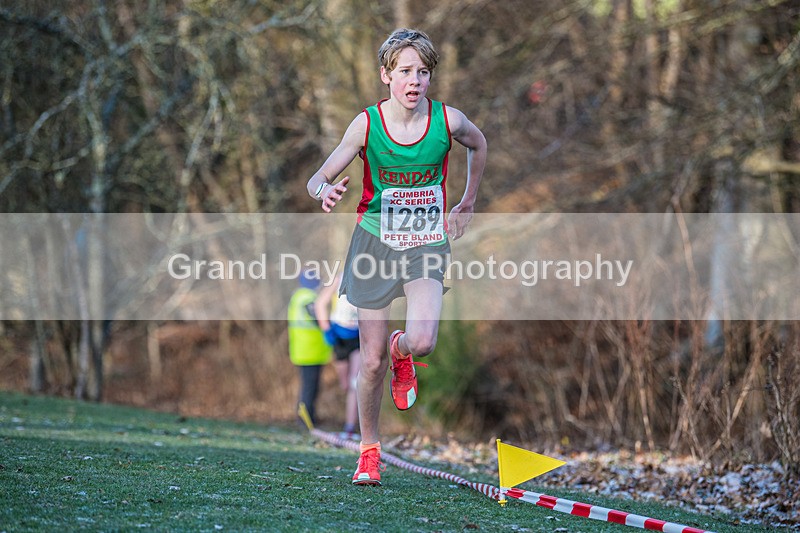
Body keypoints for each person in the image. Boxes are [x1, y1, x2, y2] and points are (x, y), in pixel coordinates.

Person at [306, 28, 487, 486]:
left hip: (425, 243)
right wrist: (325, 190)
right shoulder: (366, 124)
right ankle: (369, 451)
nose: (415, 81)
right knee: (368, 363)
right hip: (374, 245)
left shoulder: (448, 121)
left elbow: (480, 145)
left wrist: (466, 202)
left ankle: (401, 352)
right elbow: (317, 177)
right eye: (405, 71)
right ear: (386, 75)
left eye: (423, 72)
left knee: (423, 340)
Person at [314, 273, 360, 439]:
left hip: (357, 336)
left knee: (355, 383)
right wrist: (326, 329)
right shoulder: (339, 279)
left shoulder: (369, 279)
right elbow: (320, 304)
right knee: (345, 385)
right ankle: (347, 420)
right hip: (339, 335)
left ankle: (350, 427)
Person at [287, 270, 332, 427]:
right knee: (309, 388)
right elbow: (317, 319)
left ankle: (307, 418)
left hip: (305, 350)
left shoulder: (298, 296)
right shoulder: (308, 298)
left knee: (310, 387)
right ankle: (305, 420)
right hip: (309, 351)